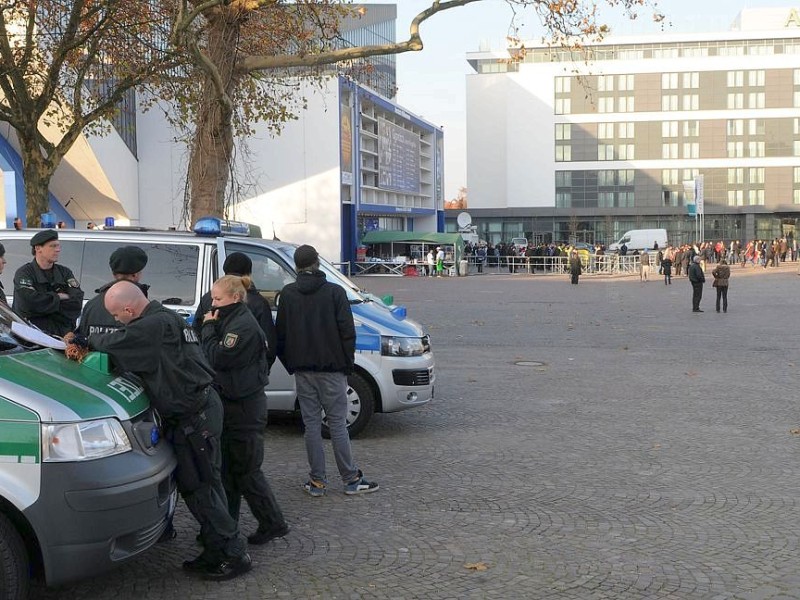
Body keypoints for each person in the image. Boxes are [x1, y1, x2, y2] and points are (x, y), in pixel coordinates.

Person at [82, 281, 251, 580]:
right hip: (196, 412)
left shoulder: (151, 326)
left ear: (129, 309)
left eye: (116, 316)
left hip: (194, 417)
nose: (116, 322)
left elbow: (106, 344)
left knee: (203, 489)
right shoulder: (166, 317)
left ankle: (234, 553)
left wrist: (77, 339)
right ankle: (215, 550)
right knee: (197, 487)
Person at [276, 245, 378, 497]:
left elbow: (281, 334)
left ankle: (317, 481)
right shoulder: (335, 292)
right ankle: (350, 478)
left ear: (297, 266)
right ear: (317, 263)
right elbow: (347, 333)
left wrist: (292, 363)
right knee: (337, 424)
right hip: (332, 369)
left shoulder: (288, 294)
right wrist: (346, 364)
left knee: (311, 425)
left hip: (302, 369)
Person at [200, 275, 288, 546]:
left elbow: (217, 356)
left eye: (217, 299)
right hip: (234, 404)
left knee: (247, 471)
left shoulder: (241, 325)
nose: (212, 304)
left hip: (244, 408)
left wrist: (208, 328)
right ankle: (228, 526)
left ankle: (272, 522)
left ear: (235, 298)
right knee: (229, 471)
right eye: (212, 298)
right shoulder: (232, 318)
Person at [193, 252, 277, 368]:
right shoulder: (258, 303)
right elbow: (269, 345)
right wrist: (261, 371)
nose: (215, 303)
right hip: (246, 375)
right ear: (248, 273)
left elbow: (195, 336)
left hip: (212, 374)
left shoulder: (208, 298)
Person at [13, 229, 84, 336]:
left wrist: (45, 304)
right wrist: (58, 297)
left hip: (62, 337)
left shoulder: (65, 272)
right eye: (53, 246)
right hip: (32, 338)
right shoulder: (24, 273)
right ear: (38, 248)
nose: (58, 250)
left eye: (58, 246)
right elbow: (29, 303)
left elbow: (76, 302)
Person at [77, 245, 149, 336]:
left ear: (114, 274)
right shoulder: (143, 306)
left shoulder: (91, 305)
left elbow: (81, 339)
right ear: (135, 275)